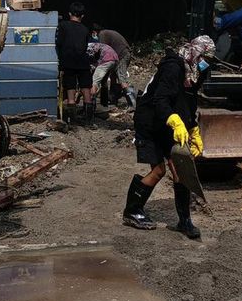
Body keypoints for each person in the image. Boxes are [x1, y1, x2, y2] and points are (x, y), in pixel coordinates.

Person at [122, 35, 215, 239]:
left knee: (180, 169)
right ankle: (132, 211)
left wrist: (193, 129)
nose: (205, 62)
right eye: (203, 57)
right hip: (151, 121)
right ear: (194, 52)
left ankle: (185, 220)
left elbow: (189, 103)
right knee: (158, 171)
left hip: (168, 123)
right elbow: (160, 99)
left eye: (208, 59)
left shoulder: (195, 72)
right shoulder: (173, 67)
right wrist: (174, 119)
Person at [55, 1, 92, 119]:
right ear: (83, 16)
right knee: (86, 87)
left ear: (69, 13)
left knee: (70, 88)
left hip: (68, 62)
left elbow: (59, 43)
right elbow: (86, 46)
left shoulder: (63, 25)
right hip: (83, 62)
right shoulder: (86, 29)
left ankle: (72, 119)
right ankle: (88, 119)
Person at [92, 24, 137, 107]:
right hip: (119, 55)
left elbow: (102, 50)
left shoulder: (102, 34)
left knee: (121, 78)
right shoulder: (107, 33)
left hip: (122, 55)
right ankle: (113, 100)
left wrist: (96, 63)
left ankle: (132, 104)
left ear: (94, 31)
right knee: (113, 77)